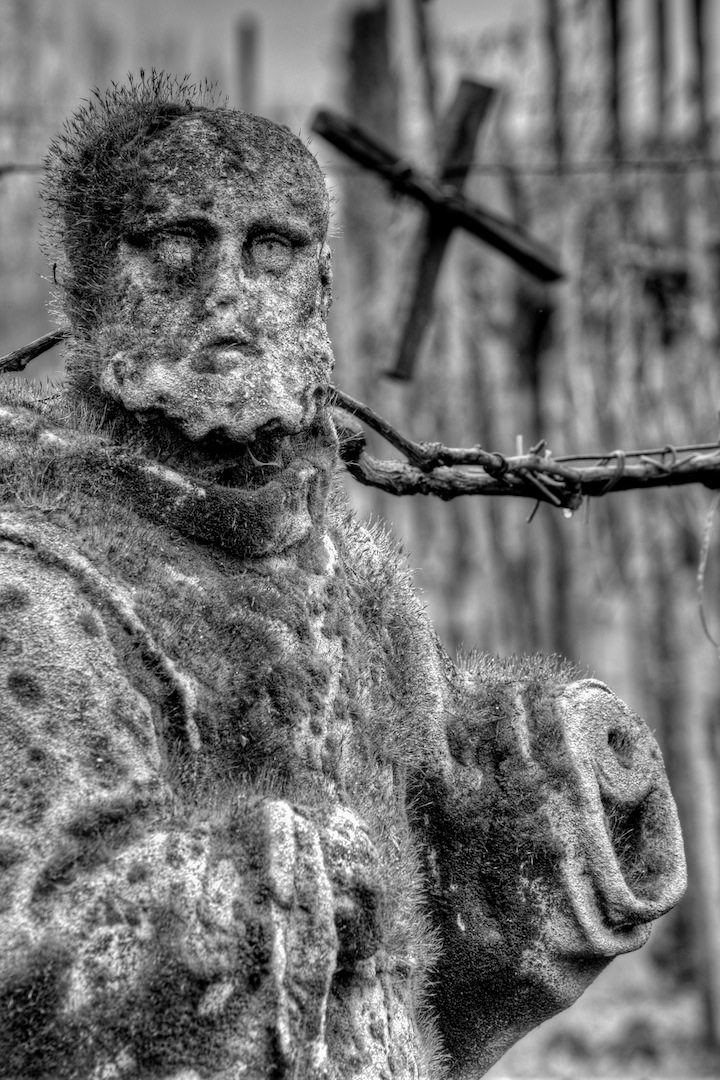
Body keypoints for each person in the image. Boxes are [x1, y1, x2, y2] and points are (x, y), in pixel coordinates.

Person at [0, 74, 685, 1080]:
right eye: (173, 244)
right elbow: (29, 964)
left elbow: (417, 960)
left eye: (271, 249)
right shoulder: (40, 589)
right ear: (88, 283)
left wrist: (523, 810)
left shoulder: (356, 584)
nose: (227, 294)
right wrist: (261, 887)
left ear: (319, 288)